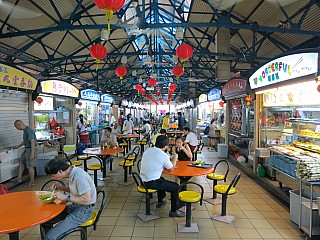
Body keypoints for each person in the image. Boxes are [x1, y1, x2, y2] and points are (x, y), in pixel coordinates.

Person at [40, 159, 96, 240]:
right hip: (76, 206)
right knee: (45, 222)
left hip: (84, 211)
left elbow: (87, 200)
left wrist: (67, 198)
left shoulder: (79, 176)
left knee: (50, 236)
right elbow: (77, 190)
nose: (52, 178)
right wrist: (60, 187)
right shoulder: (72, 173)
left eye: (53, 176)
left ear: (60, 171)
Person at [140, 135, 184, 218]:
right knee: (175, 187)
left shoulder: (148, 150)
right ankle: (173, 211)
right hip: (150, 183)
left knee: (162, 180)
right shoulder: (162, 154)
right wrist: (175, 157)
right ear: (166, 146)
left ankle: (161, 200)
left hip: (142, 180)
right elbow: (171, 168)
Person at [11, 120, 37, 187]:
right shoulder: (25, 130)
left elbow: (32, 142)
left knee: (30, 166)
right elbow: (25, 140)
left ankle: (32, 182)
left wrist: (32, 153)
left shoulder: (29, 130)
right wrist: (18, 146)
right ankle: (19, 178)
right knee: (21, 161)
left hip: (31, 149)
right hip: (26, 149)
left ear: (19, 125)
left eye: (17, 127)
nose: (17, 129)